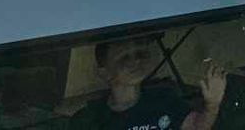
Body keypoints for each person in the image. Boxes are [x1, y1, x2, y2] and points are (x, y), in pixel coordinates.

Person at [68, 37, 226, 130]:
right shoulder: (92, 118)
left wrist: (212, 105)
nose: (135, 61)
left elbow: (195, 127)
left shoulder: (163, 98)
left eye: (139, 54)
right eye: (124, 58)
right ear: (104, 73)